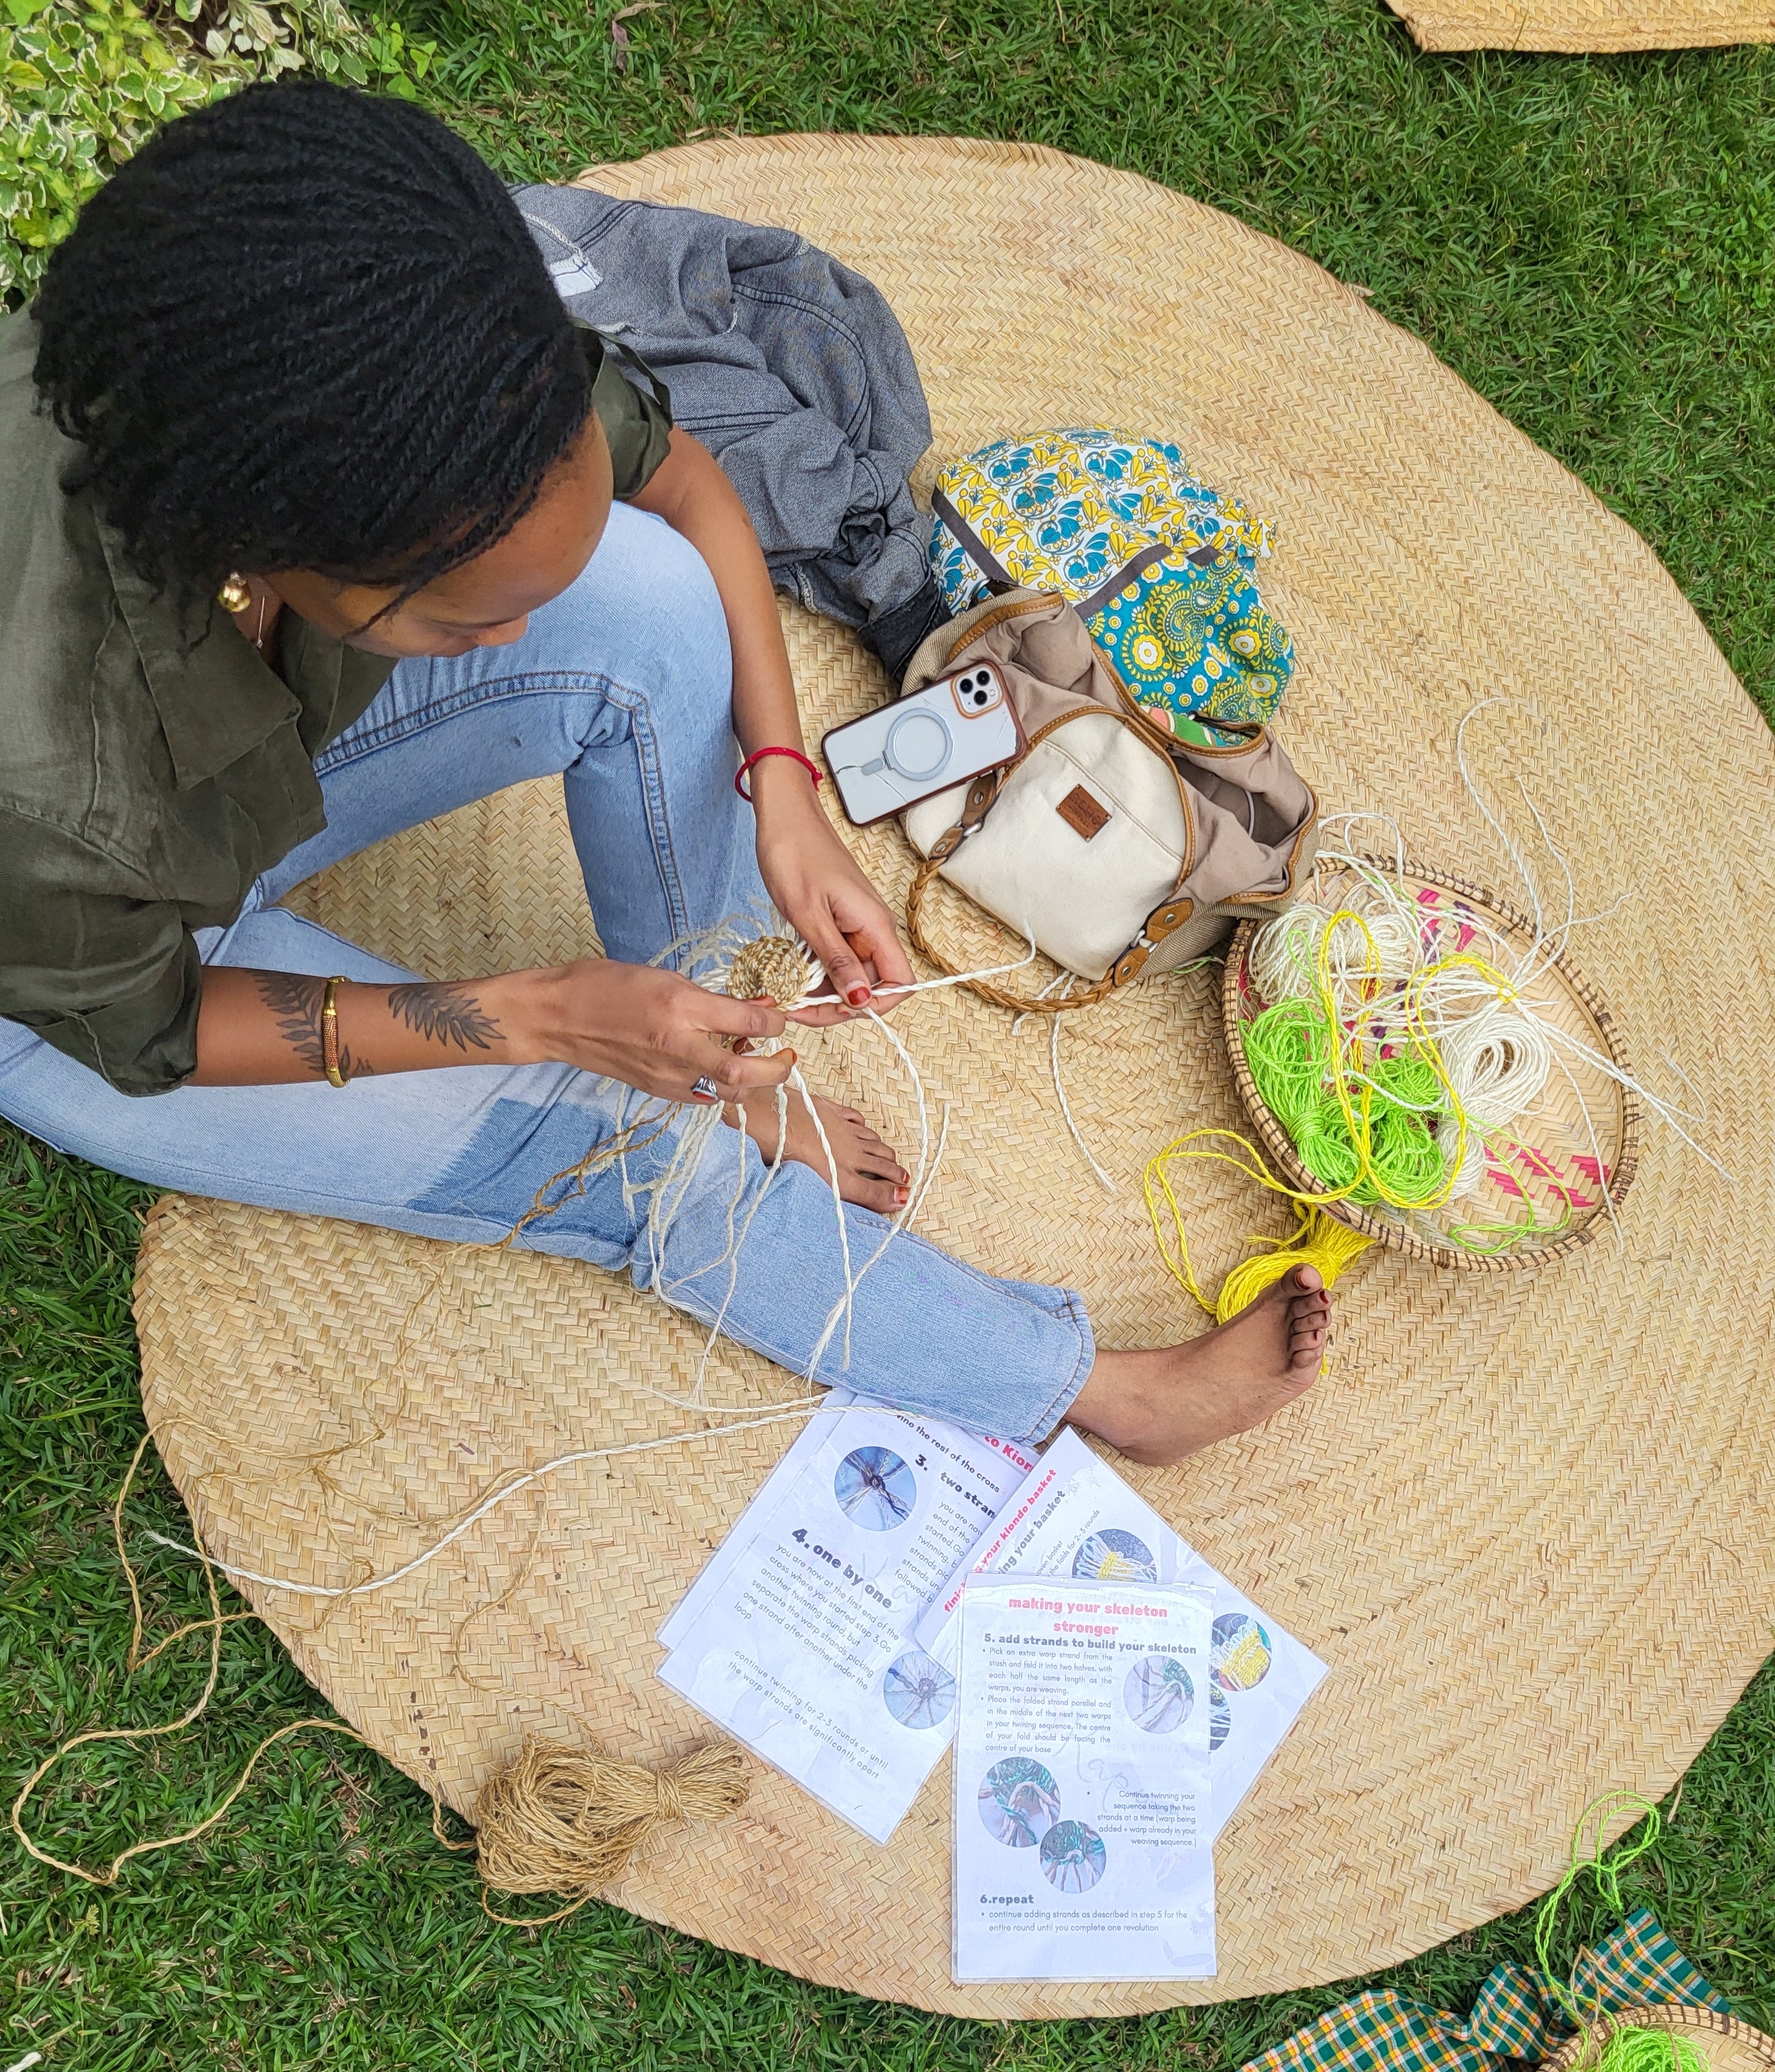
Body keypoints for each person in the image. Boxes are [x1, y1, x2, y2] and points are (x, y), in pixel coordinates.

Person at [0, 82, 1327, 1464]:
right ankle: (1088, 1387)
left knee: (654, 603)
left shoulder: (403, 364)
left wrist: (781, 777)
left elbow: (683, 480)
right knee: (607, 1149)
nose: (507, 645)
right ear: (263, 547)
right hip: (80, 981)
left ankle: (720, 1056)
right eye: (461, 623)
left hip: (207, 776)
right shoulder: (41, 765)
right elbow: (155, 1023)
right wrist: (530, 1015)